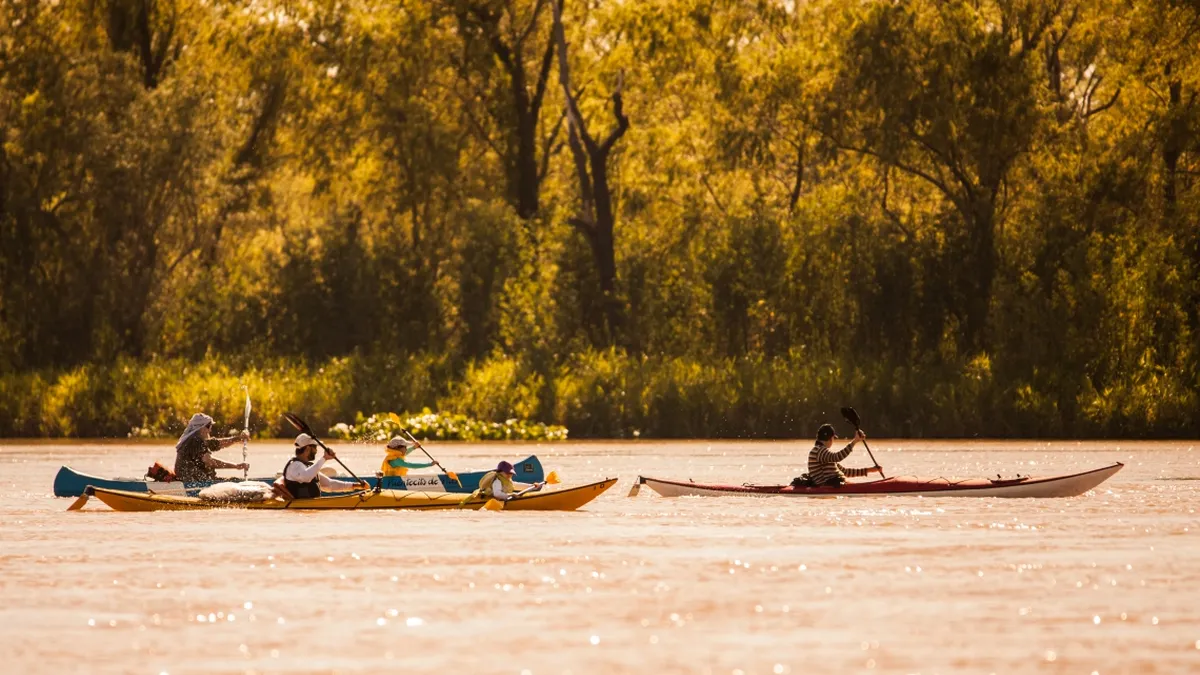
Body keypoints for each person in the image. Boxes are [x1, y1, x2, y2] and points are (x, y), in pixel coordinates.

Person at [282, 434, 367, 499]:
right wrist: (324, 458)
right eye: (315, 447)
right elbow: (306, 477)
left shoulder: (307, 467)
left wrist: (356, 486)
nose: (316, 450)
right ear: (308, 449)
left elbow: (329, 485)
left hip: (311, 508)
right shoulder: (295, 466)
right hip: (301, 509)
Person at [174, 413, 250, 482]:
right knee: (233, 481)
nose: (210, 430)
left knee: (231, 480)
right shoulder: (195, 441)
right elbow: (209, 462)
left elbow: (218, 443)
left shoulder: (195, 439)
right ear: (201, 427)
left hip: (194, 479)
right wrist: (235, 466)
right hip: (192, 482)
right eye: (209, 426)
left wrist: (238, 438)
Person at [802, 423, 882, 487]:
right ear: (831, 438)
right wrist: (855, 441)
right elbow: (837, 457)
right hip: (828, 486)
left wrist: (871, 470)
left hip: (836, 484)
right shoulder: (819, 451)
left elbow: (845, 472)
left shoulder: (822, 453)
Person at [473, 460, 544, 502]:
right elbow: (497, 494)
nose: (510, 475)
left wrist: (533, 486)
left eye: (511, 473)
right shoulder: (497, 481)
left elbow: (515, 485)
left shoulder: (507, 480)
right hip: (491, 498)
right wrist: (510, 495)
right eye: (507, 473)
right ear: (500, 472)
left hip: (505, 497)